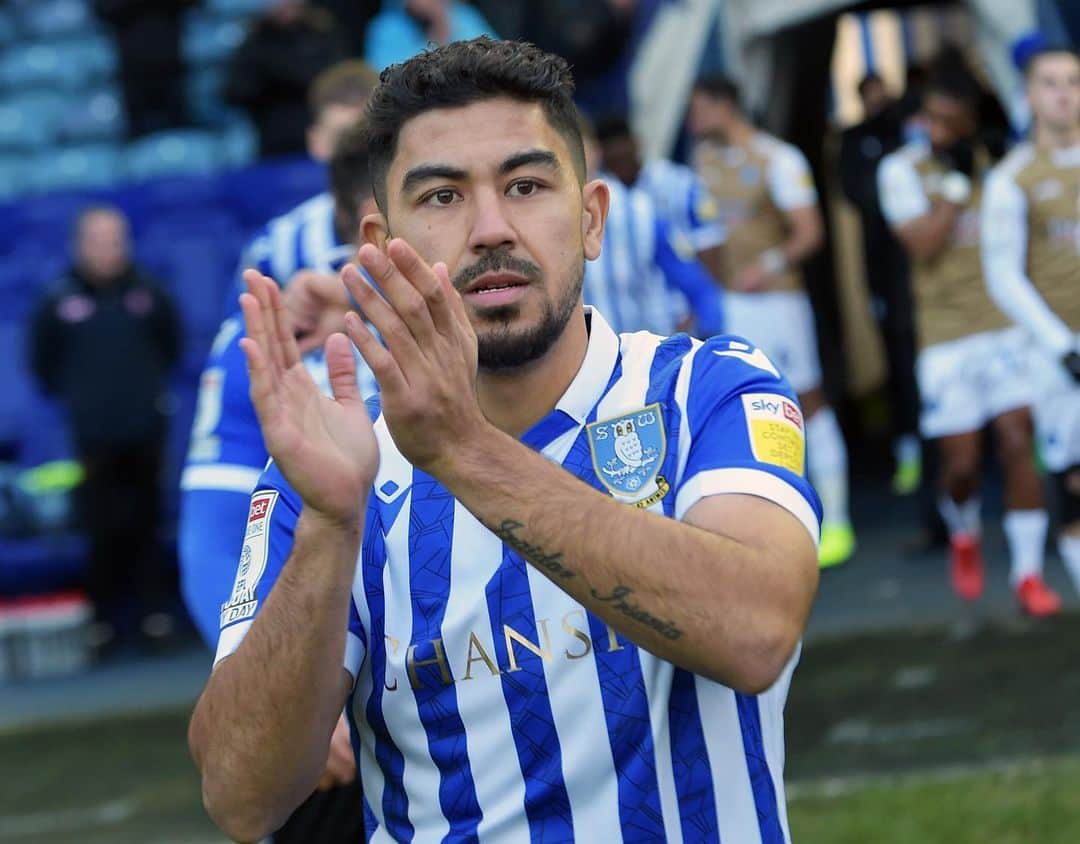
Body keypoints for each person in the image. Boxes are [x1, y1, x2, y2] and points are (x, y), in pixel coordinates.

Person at [190, 38, 820, 843]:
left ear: (590, 218)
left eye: (526, 185)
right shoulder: (329, 476)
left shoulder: (707, 390)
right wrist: (330, 527)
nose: (491, 228)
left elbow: (757, 631)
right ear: (380, 243)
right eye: (443, 197)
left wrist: (461, 448)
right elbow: (241, 798)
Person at [180, 134, 377, 844]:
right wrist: (265, 674)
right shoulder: (277, 344)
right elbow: (210, 528)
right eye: (443, 195)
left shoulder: (531, 324)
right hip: (346, 717)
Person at [878, 65, 1058, 616]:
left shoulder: (999, 167)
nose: (937, 131)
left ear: (969, 123)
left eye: (949, 123)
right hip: (947, 337)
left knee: (1015, 438)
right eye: (931, 119)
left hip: (1005, 329)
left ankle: (1028, 576)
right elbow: (922, 246)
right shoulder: (901, 169)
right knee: (960, 467)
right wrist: (955, 190)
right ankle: (964, 533)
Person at [688, 75, 856, 568]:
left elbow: (810, 233)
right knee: (747, 412)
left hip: (779, 303)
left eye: (698, 108)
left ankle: (839, 520)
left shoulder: (778, 158)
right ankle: (781, 529)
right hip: (729, 307)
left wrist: (770, 265)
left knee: (806, 401)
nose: (692, 119)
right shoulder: (701, 163)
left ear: (724, 105)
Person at [29, 206, 181, 650]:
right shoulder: (58, 300)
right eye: (99, 240)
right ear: (80, 245)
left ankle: (155, 618)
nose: (109, 249)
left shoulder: (150, 292)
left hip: (145, 430)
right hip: (92, 436)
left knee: (146, 522)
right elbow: (43, 365)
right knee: (100, 526)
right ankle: (103, 623)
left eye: (117, 239)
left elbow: (169, 348)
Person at [982, 46, 1080, 597]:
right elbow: (1003, 276)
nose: (1064, 92)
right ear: (1031, 96)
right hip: (1059, 356)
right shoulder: (1012, 179)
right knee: (1074, 478)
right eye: (1051, 82)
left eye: (1073, 81)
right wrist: (1061, 346)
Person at [226, 59, 379, 307]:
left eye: (369, 136)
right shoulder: (273, 248)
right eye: (343, 137)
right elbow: (237, 339)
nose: (357, 150)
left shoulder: (430, 226)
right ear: (315, 141)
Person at [838, 74, 922, 495]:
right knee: (899, 358)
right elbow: (859, 193)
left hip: (928, 263)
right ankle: (910, 449)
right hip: (885, 268)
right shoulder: (857, 141)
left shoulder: (912, 130)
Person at [580, 114, 724, 337]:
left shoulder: (639, 211)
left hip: (638, 360)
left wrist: (707, 341)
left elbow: (699, 288)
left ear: (596, 153)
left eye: (579, 148)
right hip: (571, 364)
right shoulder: (533, 216)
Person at [595, 113, 726, 279]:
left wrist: (704, 296)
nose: (620, 163)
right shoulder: (601, 194)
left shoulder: (681, 183)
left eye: (624, 155)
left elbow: (709, 239)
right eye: (613, 159)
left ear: (636, 144)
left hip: (680, 292)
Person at [225, 0, 348, 158]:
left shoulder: (323, 33)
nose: (283, 4)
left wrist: (277, 74)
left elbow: (335, 79)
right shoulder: (255, 40)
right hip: (271, 138)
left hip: (316, 133)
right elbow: (235, 91)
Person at [93, 0, 195, 137]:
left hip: (172, 64)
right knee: (138, 134)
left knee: (181, 131)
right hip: (132, 68)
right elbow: (103, 10)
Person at [363, 0, 496, 71]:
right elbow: (388, 75)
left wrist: (442, 20)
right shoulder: (387, 27)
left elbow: (492, 56)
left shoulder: (463, 16)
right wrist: (438, 29)